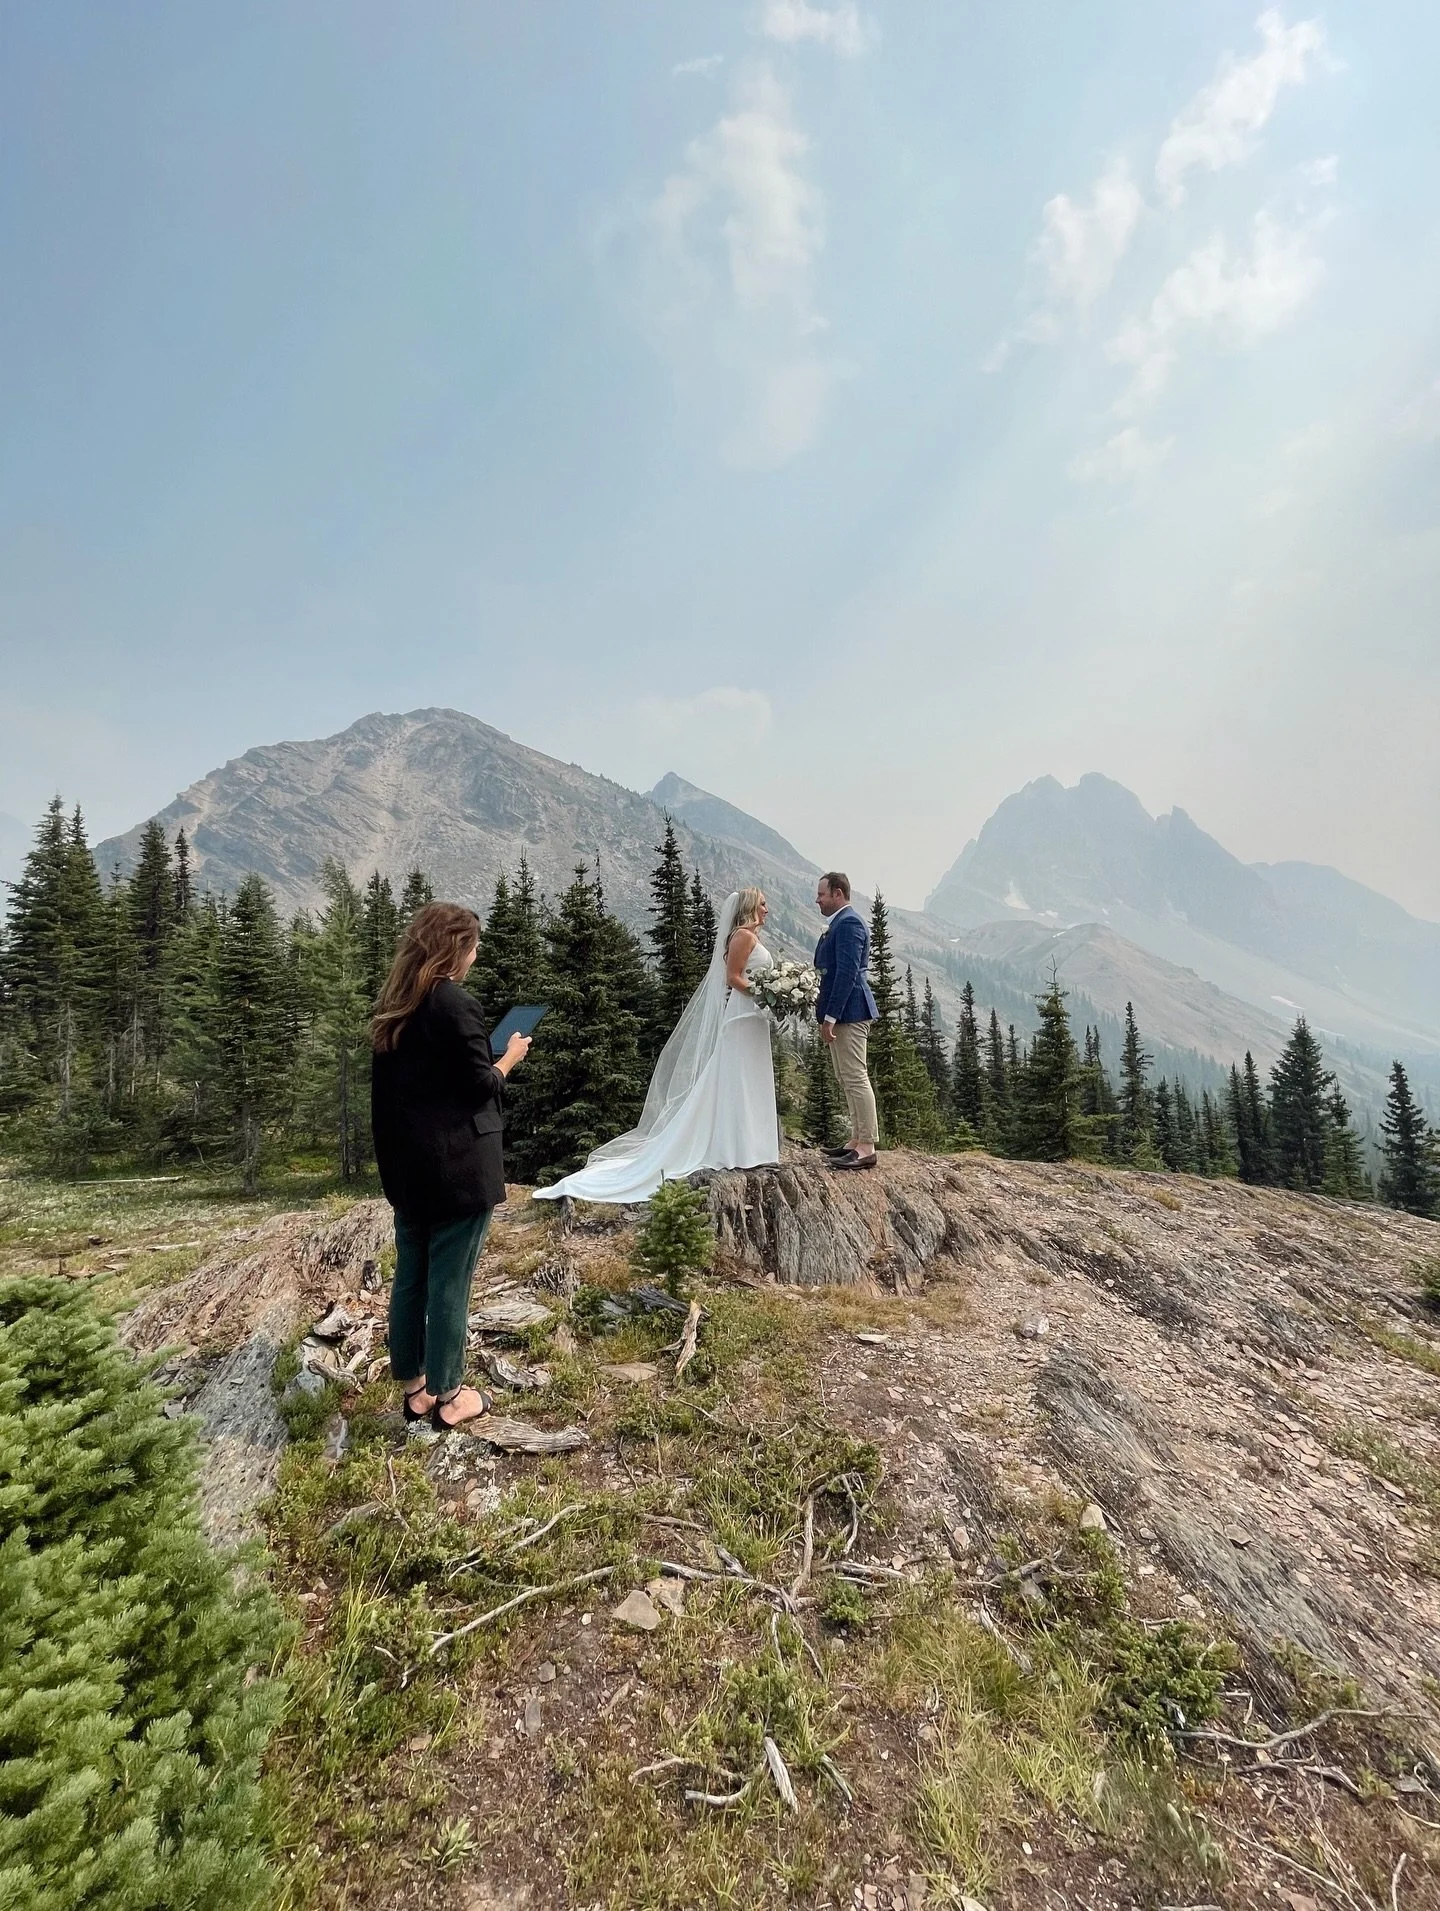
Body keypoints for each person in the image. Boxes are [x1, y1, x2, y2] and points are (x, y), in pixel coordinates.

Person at [370, 901, 532, 1430]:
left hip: (409, 1170)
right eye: (474, 945)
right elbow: (478, 1087)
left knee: (411, 1278)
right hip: (458, 1170)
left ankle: (414, 1386)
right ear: (454, 948)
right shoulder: (454, 1003)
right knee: (450, 1283)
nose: (477, 955)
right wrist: (508, 1057)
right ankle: (450, 1394)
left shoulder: (398, 1004)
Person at [533, 887, 780, 1204]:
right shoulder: (742, 936)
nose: (767, 908)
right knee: (737, 1077)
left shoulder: (752, 936)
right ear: (749, 907)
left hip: (754, 1017)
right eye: (763, 903)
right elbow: (732, 977)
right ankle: (735, 1146)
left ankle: (753, 1145)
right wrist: (763, 995)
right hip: (742, 1015)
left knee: (751, 1077)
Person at [813, 871, 879, 1170]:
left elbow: (847, 974)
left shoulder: (849, 922)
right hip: (842, 1012)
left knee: (855, 1076)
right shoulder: (838, 923)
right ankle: (855, 1139)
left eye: (822, 894)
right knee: (845, 1077)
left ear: (837, 894)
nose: (818, 899)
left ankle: (867, 1145)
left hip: (851, 1011)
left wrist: (831, 1015)